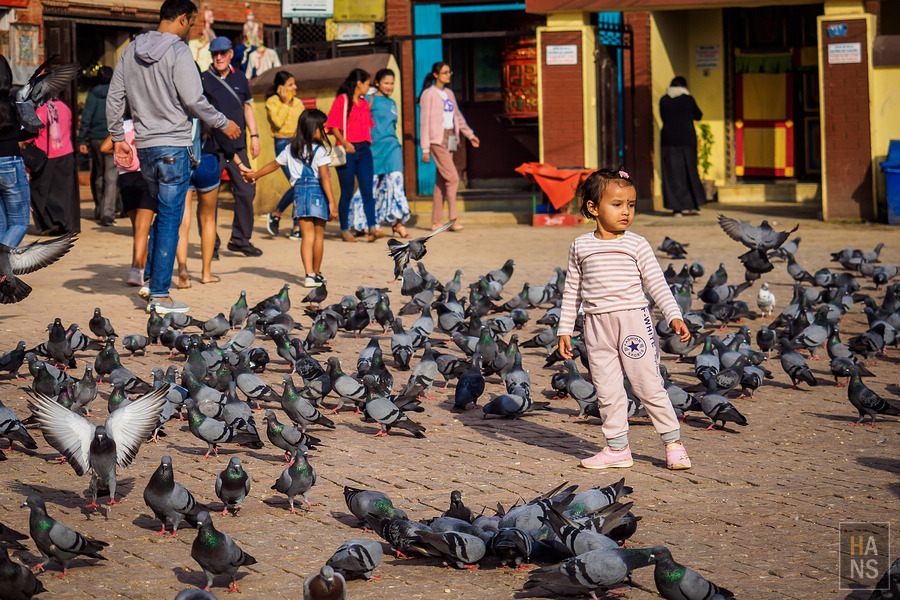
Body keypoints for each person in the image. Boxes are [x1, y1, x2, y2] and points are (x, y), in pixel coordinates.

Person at [107, 0, 241, 314]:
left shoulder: (130, 50)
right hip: (173, 148)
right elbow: (194, 100)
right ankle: (161, 295)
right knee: (170, 219)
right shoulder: (179, 52)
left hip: (145, 147)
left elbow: (116, 97)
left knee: (160, 214)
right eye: (191, 23)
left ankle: (152, 280)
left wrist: (117, 138)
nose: (190, 29)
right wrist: (224, 122)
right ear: (182, 18)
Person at [557, 168, 692, 471]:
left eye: (631, 204)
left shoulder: (637, 244)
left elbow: (657, 283)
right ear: (593, 208)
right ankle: (617, 449)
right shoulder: (580, 246)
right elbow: (572, 291)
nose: (626, 211)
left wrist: (674, 315)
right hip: (595, 326)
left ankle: (673, 443)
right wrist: (564, 329)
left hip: (634, 322)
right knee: (606, 389)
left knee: (648, 384)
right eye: (617, 204)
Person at [244, 109, 336, 288]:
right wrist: (332, 202)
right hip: (319, 194)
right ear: (313, 129)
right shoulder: (320, 151)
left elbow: (273, 165)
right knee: (318, 237)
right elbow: (325, 178)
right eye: (322, 128)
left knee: (306, 237)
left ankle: (308, 275)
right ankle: (316, 274)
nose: (325, 131)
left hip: (300, 194)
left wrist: (255, 175)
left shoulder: (290, 148)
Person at [201, 35, 263, 257]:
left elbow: (247, 107)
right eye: (215, 54)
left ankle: (240, 239)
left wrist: (254, 136)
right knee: (210, 196)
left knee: (247, 190)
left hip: (237, 147)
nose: (219, 57)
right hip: (212, 147)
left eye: (223, 53)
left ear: (230, 55)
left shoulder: (241, 78)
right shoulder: (203, 79)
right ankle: (212, 245)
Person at [175, 118, 252, 287]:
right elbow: (226, 144)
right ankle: (206, 273)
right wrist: (240, 165)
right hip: (208, 161)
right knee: (208, 219)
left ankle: (182, 270)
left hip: (182, 161)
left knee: (182, 221)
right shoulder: (208, 110)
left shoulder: (179, 108)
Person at [346, 68, 410, 238]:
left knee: (396, 183)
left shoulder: (392, 103)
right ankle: (360, 224)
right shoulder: (369, 99)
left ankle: (397, 223)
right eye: (386, 83)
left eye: (392, 83)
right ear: (377, 83)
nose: (389, 86)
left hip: (392, 148)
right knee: (369, 187)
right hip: (372, 149)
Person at [419, 61, 478, 232]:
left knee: (441, 182)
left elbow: (457, 116)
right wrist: (425, 148)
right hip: (436, 140)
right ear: (436, 75)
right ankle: (452, 220)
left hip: (451, 138)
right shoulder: (428, 94)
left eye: (449, 72)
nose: (448, 75)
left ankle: (436, 222)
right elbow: (424, 122)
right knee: (453, 178)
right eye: (444, 72)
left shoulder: (449, 93)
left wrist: (470, 134)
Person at [326, 68, 383, 243]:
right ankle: (344, 229)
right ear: (359, 83)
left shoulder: (364, 103)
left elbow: (367, 125)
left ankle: (373, 227)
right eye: (367, 84)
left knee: (368, 189)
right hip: (347, 151)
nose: (369, 87)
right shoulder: (342, 100)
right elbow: (333, 125)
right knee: (347, 192)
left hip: (364, 150)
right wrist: (344, 142)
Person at [100, 118, 156, 286]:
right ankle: (136, 269)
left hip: (126, 178)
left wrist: (122, 152)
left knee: (137, 230)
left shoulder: (124, 126)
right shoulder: (152, 122)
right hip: (147, 176)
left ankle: (141, 267)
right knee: (143, 228)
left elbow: (104, 147)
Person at [28, 96, 78, 236]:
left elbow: (31, 133)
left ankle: (50, 223)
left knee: (39, 192)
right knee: (63, 192)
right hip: (66, 153)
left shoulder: (41, 111)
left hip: (46, 156)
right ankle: (65, 223)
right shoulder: (64, 107)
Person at [264, 70, 304, 239]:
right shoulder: (272, 102)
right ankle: (277, 213)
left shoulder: (299, 103)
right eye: (290, 85)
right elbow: (278, 123)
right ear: (281, 87)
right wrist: (286, 103)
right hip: (282, 144)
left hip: (299, 144)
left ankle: (297, 227)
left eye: (294, 84)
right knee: (297, 183)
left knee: (301, 184)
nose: (294, 87)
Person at [0, 54, 34, 247]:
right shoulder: (15, 98)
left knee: (1, 225)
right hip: (9, 162)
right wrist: (14, 135)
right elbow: (33, 127)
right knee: (20, 222)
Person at [659, 76, 705, 217]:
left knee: (672, 174)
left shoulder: (664, 100)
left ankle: (676, 209)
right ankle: (694, 205)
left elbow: (663, 117)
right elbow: (698, 115)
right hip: (687, 140)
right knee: (689, 171)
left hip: (668, 141)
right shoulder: (688, 99)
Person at [78, 66, 118, 226]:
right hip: (112, 138)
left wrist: (81, 140)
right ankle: (107, 214)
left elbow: (86, 117)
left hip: (95, 139)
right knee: (111, 176)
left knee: (99, 174)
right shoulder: (117, 93)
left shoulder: (93, 95)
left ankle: (100, 208)